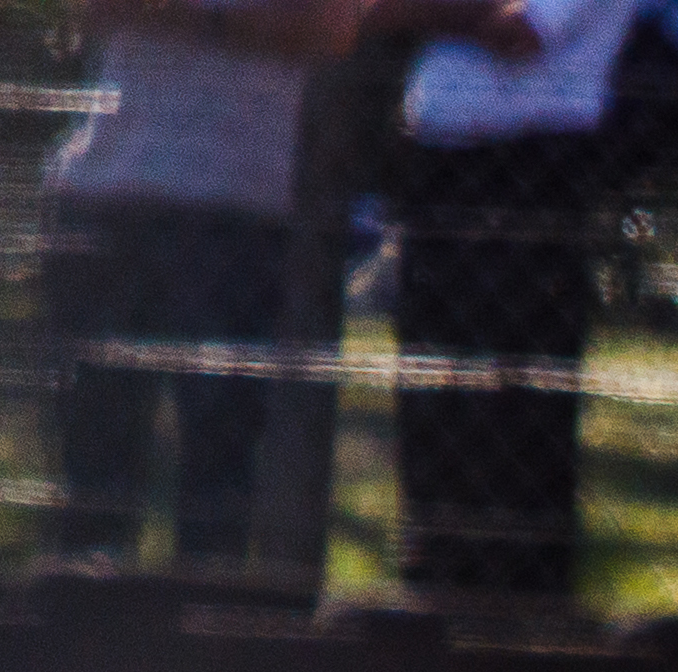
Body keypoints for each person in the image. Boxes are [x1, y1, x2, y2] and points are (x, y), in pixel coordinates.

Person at [41, 0, 530, 570]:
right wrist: (244, 23)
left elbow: (325, 28)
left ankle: (201, 646)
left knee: (218, 475)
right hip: (107, 194)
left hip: (237, 214)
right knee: (93, 471)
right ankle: (81, 640)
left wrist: (190, 18)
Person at [386, 0, 678, 594]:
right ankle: (440, 608)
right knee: (436, 421)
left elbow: (520, 31)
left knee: (508, 441)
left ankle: (511, 631)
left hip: (522, 168)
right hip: (446, 167)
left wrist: (381, 13)